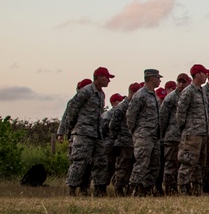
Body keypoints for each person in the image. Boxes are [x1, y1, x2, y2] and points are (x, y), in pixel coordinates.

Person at [58, 67, 113, 195]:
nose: (109, 81)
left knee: (101, 161)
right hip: (83, 133)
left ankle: (99, 188)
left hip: (96, 133)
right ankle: (72, 188)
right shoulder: (85, 92)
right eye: (107, 77)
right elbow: (72, 110)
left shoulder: (101, 94)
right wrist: (70, 129)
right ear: (99, 77)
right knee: (80, 161)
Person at [126, 69, 162, 196]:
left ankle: (145, 189)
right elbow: (131, 115)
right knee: (142, 163)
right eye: (158, 78)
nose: (159, 80)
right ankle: (132, 188)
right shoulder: (140, 95)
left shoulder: (154, 95)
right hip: (144, 135)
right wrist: (135, 132)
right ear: (152, 78)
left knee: (154, 164)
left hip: (154, 135)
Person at [175, 64, 209, 195]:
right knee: (188, 162)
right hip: (192, 133)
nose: (206, 76)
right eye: (203, 73)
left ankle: (197, 190)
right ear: (197, 74)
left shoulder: (202, 91)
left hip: (202, 133)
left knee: (200, 164)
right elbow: (181, 113)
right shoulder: (188, 91)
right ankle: (183, 189)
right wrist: (185, 129)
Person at [159, 73, 191, 195]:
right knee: (171, 164)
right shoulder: (171, 98)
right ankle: (169, 187)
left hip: (185, 136)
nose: (181, 84)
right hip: (172, 136)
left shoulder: (189, 95)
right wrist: (165, 133)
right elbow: (163, 117)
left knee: (183, 163)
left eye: (184, 82)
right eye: (179, 82)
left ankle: (181, 186)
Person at [109, 81, 141, 195]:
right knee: (122, 167)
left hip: (133, 142)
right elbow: (113, 125)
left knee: (131, 167)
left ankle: (127, 188)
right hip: (123, 142)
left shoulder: (134, 105)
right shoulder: (122, 106)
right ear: (132, 92)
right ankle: (118, 188)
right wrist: (117, 138)